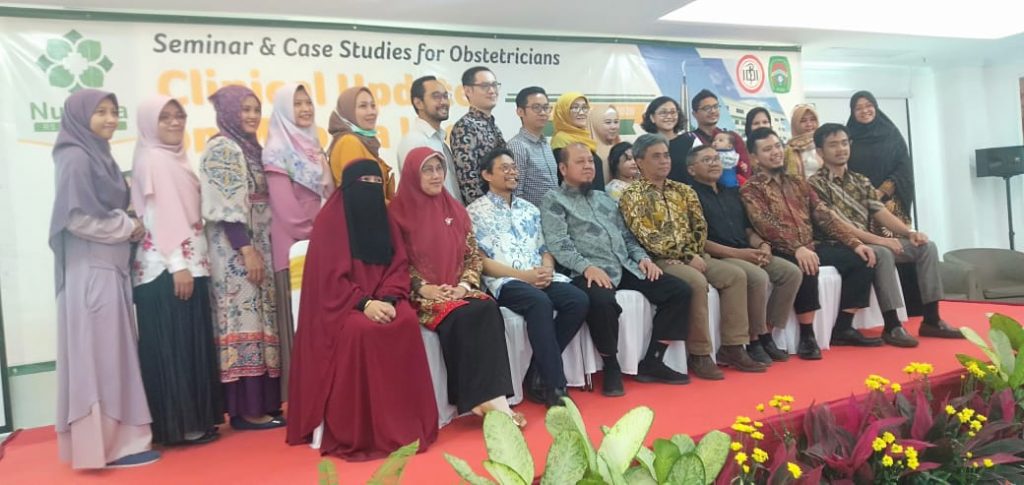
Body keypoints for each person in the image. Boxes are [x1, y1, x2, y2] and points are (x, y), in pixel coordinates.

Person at [287, 160, 439, 461]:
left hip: (384, 299)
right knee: (362, 331)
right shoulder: (330, 221)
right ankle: (362, 430)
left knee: (405, 321)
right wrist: (365, 304)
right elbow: (329, 280)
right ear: (347, 186)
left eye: (376, 181)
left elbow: (398, 266)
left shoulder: (386, 218)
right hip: (341, 307)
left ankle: (406, 423)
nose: (370, 188)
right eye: (364, 181)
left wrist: (389, 299)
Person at [50, 89, 159, 469]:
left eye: (114, 111)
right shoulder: (76, 157)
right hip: (92, 276)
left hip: (107, 272)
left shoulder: (98, 154)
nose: (110, 119)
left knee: (112, 357)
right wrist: (127, 226)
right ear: (82, 117)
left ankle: (120, 442)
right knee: (100, 360)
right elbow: (76, 219)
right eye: (101, 112)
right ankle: (105, 448)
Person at [541, 142, 693, 397]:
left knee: (679, 291)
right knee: (601, 301)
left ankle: (653, 360)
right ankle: (611, 365)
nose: (588, 166)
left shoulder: (604, 198)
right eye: (580, 162)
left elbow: (627, 236)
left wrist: (643, 258)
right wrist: (587, 267)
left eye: (590, 161)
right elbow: (559, 244)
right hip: (585, 270)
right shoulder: (554, 200)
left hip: (624, 265)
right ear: (563, 169)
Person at [391, 147, 524, 427]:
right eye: (427, 170)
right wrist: (423, 288)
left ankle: (496, 398)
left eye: (439, 169)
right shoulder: (397, 214)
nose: (436, 175)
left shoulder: (454, 209)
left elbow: (473, 256)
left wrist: (463, 286)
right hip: (422, 296)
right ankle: (479, 400)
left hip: (457, 289)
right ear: (413, 175)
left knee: (488, 309)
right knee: (464, 316)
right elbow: (395, 262)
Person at [619, 134, 765, 379]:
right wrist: (686, 257)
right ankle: (700, 353)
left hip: (696, 254)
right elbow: (647, 235)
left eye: (666, 155)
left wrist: (694, 253)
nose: (664, 161)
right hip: (661, 260)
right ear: (640, 161)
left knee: (735, 275)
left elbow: (699, 227)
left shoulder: (683, 190)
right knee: (695, 282)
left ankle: (733, 346)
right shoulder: (632, 195)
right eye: (656, 156)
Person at [808, 123, 964, 342]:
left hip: (870, 240)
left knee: (926, 247)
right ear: (820, 151)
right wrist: (882, 241)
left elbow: (881, 212)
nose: (841, 149)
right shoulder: (815, 185)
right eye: (833, 145)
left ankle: (932, 319)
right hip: (841, 244)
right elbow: (838, 225)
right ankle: (892, 325)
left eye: (844, 143)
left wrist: (909, 232)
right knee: (881, 252)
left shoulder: (860, 180)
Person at [130, 95, 222, 446]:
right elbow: (157, 216)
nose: (174, 122)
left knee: (188, 345)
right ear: (149, 124)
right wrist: (178, 265)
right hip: (166, 271)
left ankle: (194, 422)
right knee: (174, 349)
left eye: (179, 116)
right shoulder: (153, 158)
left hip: (187, 266)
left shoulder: (175, 158)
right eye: (164, 117)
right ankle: (180, 427)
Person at [740, 128, 880, 358]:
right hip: (778, 248)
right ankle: (807, 335)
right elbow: (764, 224)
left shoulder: (798, 183)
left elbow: (824, 216)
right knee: (806, 266)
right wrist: (797, 248)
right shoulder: (751, 189)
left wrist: (855, 243)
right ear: (754, 157)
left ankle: (843, 327)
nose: (775, 152)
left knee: (861, 258)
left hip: (809, 245)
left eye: (778, 146)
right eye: (767, 149)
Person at [467, 148, 589, 408]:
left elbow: (544, 249)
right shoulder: (474, 212)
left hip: (539, 276)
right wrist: (525, 276)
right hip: (506, 281)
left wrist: (546, 270)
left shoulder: (529, 209)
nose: (512, 172)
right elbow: (482, 262)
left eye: (514, 167)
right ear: (487, 175)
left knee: (578, 300)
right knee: (539, 303)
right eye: (505, 168)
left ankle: (537, 369)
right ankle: (555, 386)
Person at [200, 85, 284, 430]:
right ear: (229, 113)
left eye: (255, 109)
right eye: (244, 110)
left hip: (257, 247)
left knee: (262, 323)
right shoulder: (223, 147)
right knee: (245, 322)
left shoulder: (250, 147)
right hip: (236, 253)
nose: (252, 116)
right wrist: (246, 250)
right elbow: (225, 206)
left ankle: (264, 403)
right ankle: (246, 410)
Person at [687, 145, 802, 364]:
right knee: (757, 277)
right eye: (706, 160)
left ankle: (766, 332)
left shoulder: (732, 193)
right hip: (720, 255)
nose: (714, 163)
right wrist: (740, 254)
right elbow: (698, 241)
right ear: (692, 169)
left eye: (716, 158)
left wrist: (763, 245)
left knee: (791, 272)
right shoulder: (689, 196)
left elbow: (748, 230)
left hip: (745, 250)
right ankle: (753, 339)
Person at [263, 84, 334, 400]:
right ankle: (304, 398)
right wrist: (316, 235)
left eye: (308, 102)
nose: (305, 109)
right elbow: (286, 208)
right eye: (297, 104)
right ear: (283, 109)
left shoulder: (314, 144)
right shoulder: (277, 149)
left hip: (321, 245)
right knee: (299, 324)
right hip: (295, 248)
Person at [847, 91, 915, 232]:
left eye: (868, 105)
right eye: (858, 108)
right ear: (853, 112)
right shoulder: (848, 138)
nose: (864, 111)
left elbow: (903, 166)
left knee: (895, 241)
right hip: (859, 202)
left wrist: (882, 191)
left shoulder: (891, 134)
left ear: (875, 107)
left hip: (889, 201)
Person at [397, 75, 463, 203]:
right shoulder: (414, 141)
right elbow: (416, 194)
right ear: (418, 103)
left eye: (445, 96)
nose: (443, 102)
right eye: (436, 97)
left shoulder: (439, 140)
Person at [451, 66, 506, 204]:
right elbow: (468, 182)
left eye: (494, 85)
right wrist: (487, 212)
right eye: (485, 86)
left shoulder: (493, 126)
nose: (492, 91)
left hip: (502, 206)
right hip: (482, 211)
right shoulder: (465, 127)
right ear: (468, 91)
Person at [328, 87, 394, 201]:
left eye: (373, 105)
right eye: (363, 106)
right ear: (348, 111)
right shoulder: (349, 142)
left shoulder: (363, 142)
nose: (371, 112)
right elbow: (361, 193)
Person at [508, 86, 558, 208]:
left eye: (546, 108)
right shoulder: (517, 146)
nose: (543, 112)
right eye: (536, 107)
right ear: (520, 111)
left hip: (553, 215)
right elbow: (515, 192)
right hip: (533, 216)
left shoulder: (545, 143)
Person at [690, 89, 751, 185]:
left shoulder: (732, 137)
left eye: (716, 106)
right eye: (707, 108)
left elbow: (745, 170)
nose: (713, 111)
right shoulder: (690, 139)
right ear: (694, 114)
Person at [551, 92, 606, 191]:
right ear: (563, 112)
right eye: (575, 108)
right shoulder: (561, 142)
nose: (581, 113)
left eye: (584, 107)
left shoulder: (585, 138)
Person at [640, 96, 699, 185]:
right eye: (663, 112)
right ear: (652, 117)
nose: (669, 116)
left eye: (673, 112)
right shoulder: (643, 145)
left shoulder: (692, 142)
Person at [783, 104, 824, 179]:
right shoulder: (789, 149)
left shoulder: (824, 143)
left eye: (812, 119)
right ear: (795, 124)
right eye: (803, 121)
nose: (809, 124)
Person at [589, 104, 622, 182]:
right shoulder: (588, 151)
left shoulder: (621, 149)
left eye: (616, 122)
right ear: (596, 124)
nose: (613, 127)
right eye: (608, 122)